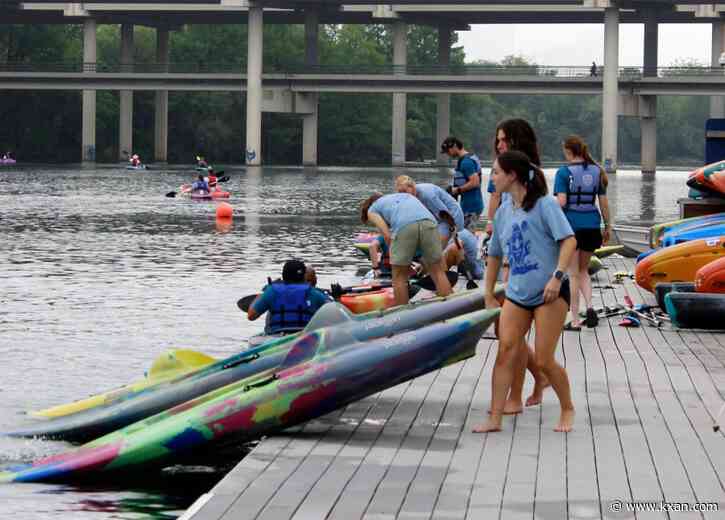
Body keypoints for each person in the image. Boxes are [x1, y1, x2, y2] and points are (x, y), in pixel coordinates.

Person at [473, 150, 577, 434]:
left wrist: (557, 277)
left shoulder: (545, 205)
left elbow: (569, 240)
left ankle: (567, 408)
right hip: (516, 293)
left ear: (512, 175)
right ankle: (495, 418)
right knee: (505, 350)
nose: (491, 177)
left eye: (495, 172)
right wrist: (488, 292)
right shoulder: (504, 211)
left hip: (549, 293)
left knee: (542, 359)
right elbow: (494, 254)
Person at [554, 135, 612, 330]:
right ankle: (590, 307)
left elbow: (561, 202)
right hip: (592, 226)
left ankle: (576, 320)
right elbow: (603, 203)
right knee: (583, 271)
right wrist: (608, 226)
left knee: (573, 274)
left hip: (572, 228)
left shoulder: (563, 172)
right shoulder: (597, 171)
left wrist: (543, 206)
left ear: (568, 151)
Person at [361, 192, 452, 305]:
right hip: (429, 222)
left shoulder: (372, 210)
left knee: (399, 277)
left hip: (405, 226)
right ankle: (450, 306)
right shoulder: (402, 197)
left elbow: (387, 236)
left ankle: (401, 312)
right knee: (437, 271)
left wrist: (397, 260)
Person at [486, 119, 542, 240]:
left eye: (504, 140)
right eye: (498, 140)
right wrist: (491, 222)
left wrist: (490, 222)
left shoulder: (534, 172)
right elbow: (495, 195)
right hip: (505, 228)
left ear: (519, 141)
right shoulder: (499, 169)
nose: (499, 146)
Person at [248, 260, 331, 334]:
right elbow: (333, 311)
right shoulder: (313, 292)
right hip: (305, 337)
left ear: (283, 275)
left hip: (276, 337)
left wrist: (260, 296)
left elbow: (251, 316)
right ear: (303, 277)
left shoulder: (272, 291)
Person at [395, 175, 464, 245]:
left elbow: (445, 214)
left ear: (412, 186)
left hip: (450, 217)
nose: (402, 194)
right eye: (400, 192)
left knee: (436, 245)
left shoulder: (427, 195)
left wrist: (453, 231)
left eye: (404, 191)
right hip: (438, 218)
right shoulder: (410, 196)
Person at [441, 137, 484, 231]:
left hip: (471, 207)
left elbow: (475, 182)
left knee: (467, 235)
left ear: (455, 146)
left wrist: (457, 190)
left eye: (448, 151)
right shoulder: (470, 157)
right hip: (471, 204)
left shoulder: (466, 162)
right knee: (466, 234)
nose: (448, 154)